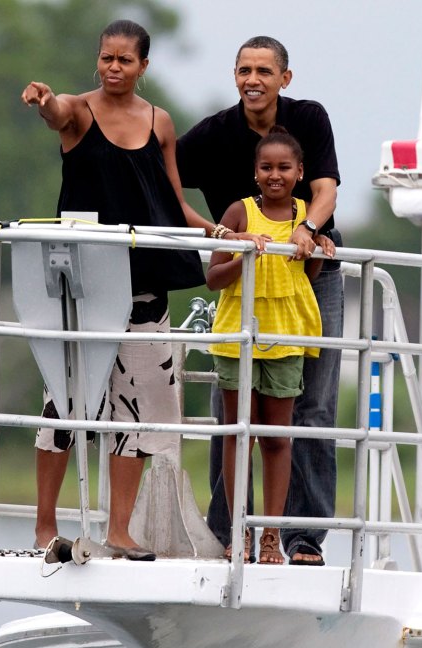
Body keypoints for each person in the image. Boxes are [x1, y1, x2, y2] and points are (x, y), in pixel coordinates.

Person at [21, 19, 217, 560]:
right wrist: (43, 101)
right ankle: (44, 526)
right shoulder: (78, 111)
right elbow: (56, 111)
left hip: (146, 281)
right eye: (106, 58)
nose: (113, 67)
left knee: (142, 405)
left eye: (124, 60)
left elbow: (171, 199)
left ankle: (120, 530)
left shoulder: (160, 122)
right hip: (82, 284)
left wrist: (214, 232)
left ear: (143, 67)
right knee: (63, 402)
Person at [177, 36, 342, 566]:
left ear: (284, 79)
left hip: (307, 277)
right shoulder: (214, 133)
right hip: (240, 287)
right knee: (234, 417)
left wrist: (311, 232)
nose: (253, 80)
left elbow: (326, 189)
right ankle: (230, 532)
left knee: (309, 410)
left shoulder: (308, 119)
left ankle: (299, 538)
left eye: (264, 71)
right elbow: (157, 179)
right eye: (244, 69)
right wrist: (215, 233)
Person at [207, 127, 331, 564]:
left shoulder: (306, 216)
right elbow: (212, 277)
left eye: (283, 168)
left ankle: (270, 536)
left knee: (277, 437)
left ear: (300, 173)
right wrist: (244, 255)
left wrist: (316, 248)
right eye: (266, 167)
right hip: (238, 332)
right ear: (254, 172)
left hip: (285, 333)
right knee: (239, 434)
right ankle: (239, 530)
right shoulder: (239, 213)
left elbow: (306, 278)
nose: (274, 175)